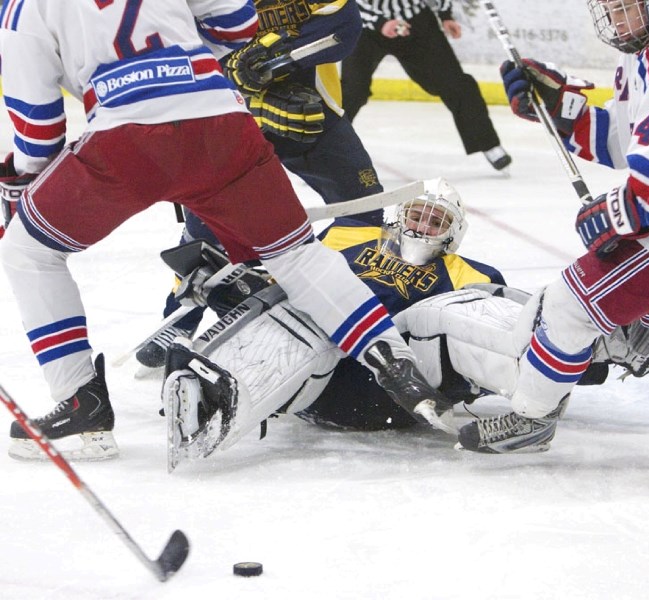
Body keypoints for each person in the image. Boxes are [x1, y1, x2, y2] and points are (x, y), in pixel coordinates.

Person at [0, 0, 452, 461]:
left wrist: (21, 190)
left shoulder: (21, 8)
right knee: (298, 256)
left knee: (27, 251)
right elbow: (239, 24)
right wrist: (186, 66)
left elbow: (38, 132)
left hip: (128, 140)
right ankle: (398, 365)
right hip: (223, 122)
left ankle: (82, 408)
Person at [159, 179, 649, 468]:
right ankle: (210, 398)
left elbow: (502, 322)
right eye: (420, 215)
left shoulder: (472, 273)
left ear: (455, 233)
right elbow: (271, 277)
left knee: (446, 313)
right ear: (397, 216)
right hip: (319, 387)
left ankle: (610, 336)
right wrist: (215, 278)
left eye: (438, 220)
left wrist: (581, 358)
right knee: (304, 313)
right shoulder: (341, 242)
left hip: (401, 391)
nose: (425, 226)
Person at [457, 0, 649, 454]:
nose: (612, 17)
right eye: (608, 7)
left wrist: (617, 214)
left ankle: (532, 418)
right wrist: (558, 107)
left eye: (623, 7)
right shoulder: (646, 49)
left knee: (569, 306)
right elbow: (623, 138)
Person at [135, 0, 390, 369]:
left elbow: (344, 25)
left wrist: (272, 58)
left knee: (363, 210)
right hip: (233, 119)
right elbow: (178, 40)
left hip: (314, 120)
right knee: (207, 225)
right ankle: (179, 318)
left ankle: (351, 305)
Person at [340, 0, 512, 171]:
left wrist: (445, 15)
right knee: (352, 90)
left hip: (415, 22)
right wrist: (381, 22)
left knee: (456, 83)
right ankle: (324, 151)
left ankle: (487, 143)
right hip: (365, 29)